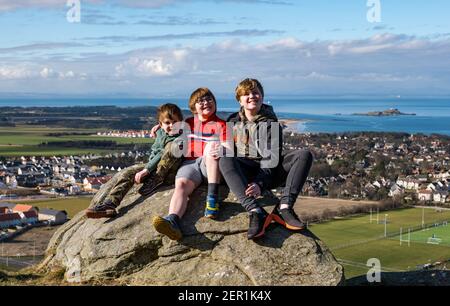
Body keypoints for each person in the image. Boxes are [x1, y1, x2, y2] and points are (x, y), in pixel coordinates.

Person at [219, 78, 313, 240]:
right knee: (225, 156)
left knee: (304, 155)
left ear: (262, 96)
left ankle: (284, 208)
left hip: (268, 172)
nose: (252, 96)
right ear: (239, 100)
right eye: (246, 94)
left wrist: (260, 184)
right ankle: (255, 211)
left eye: (256, 93)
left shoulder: (271, 122)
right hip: (244, 172)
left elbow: (271, 157)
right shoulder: (232, 120)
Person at [151, 88, 228, 241]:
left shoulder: (222, 124)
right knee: (181, 185)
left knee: (212, 147)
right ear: (193, 107)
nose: (206, 103)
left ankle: (212, 199)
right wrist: (159, 127)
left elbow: (229, 147)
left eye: (209, 99)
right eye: (201, 101)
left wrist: (222, 148)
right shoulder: (188, 123)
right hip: (190, 163)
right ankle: (173, 220)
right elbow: (170, 126)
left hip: (209, 165)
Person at [85, 103, 184, 219]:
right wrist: (158, 129)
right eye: (168, 123)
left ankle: (156, 180)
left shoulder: (181, 137)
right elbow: (155, 152)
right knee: (128, 173)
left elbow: (161, 154)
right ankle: (110, 204)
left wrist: (146, 170)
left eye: (175, 123)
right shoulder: (161, 132)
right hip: (153, 167)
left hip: (168, 173)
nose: (172, 126)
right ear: (161, 124)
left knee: (174, 146)